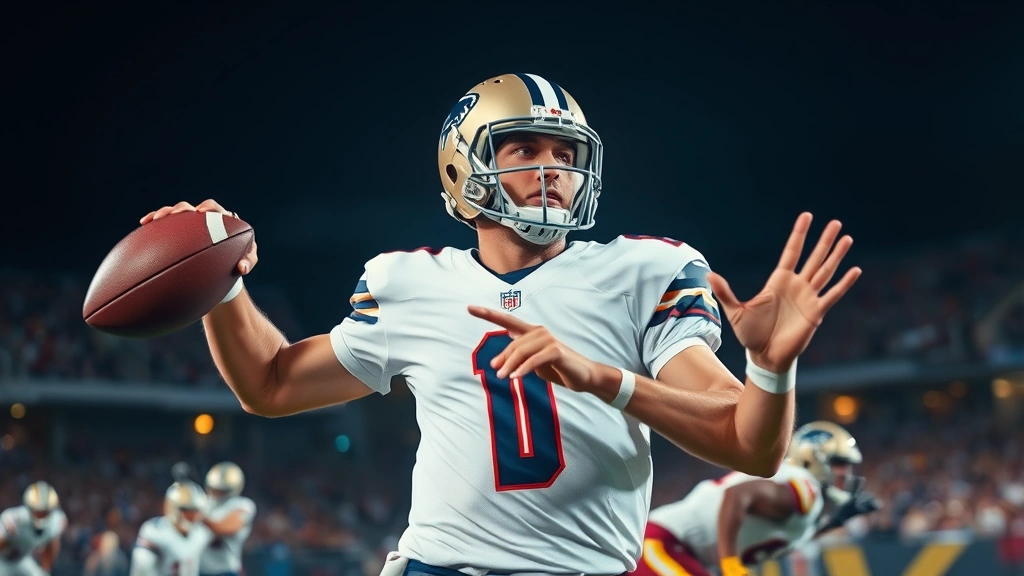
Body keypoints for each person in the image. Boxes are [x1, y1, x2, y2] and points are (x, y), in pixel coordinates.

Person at [141, 72, 861, 574]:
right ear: (466, 166)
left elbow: (747, 442)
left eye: (566, 153)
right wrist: (221, 288)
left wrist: (766, 369)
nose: (553, 169)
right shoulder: (409, 281)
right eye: (524, 149)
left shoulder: (646, 271)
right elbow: (269, 384)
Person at [633, 421, 881, 576]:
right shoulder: (804, 488)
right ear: (811, 458)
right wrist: (730, 563)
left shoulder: (803, 506)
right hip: (662, 543)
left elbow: (782, 538)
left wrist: (834, 522)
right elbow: (737, 496)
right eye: (839, 463)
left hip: (680, 551)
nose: (846, 473)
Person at [130, 481, 213, 576]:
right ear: (173, 508)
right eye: (190, 511)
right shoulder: (154, 530)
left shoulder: (201, 533)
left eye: (198, 511)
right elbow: (143, 567)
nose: (195, 517)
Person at [199, 462, 256, 576]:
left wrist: (197, 516)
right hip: (198, 569)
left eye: (221, 490)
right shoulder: (202, 502)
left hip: (225, 570)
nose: (216, 492)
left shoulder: (243, 505)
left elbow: (225, 528)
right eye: (214, 488)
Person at [0, 482, 66, 576]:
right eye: (38, 512)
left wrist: (46, 569)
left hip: (23, 560)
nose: (41, 516)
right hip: (3, 561)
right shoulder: (14, 520)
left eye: (45, 512)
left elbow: (51, 545)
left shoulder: (56, 521)